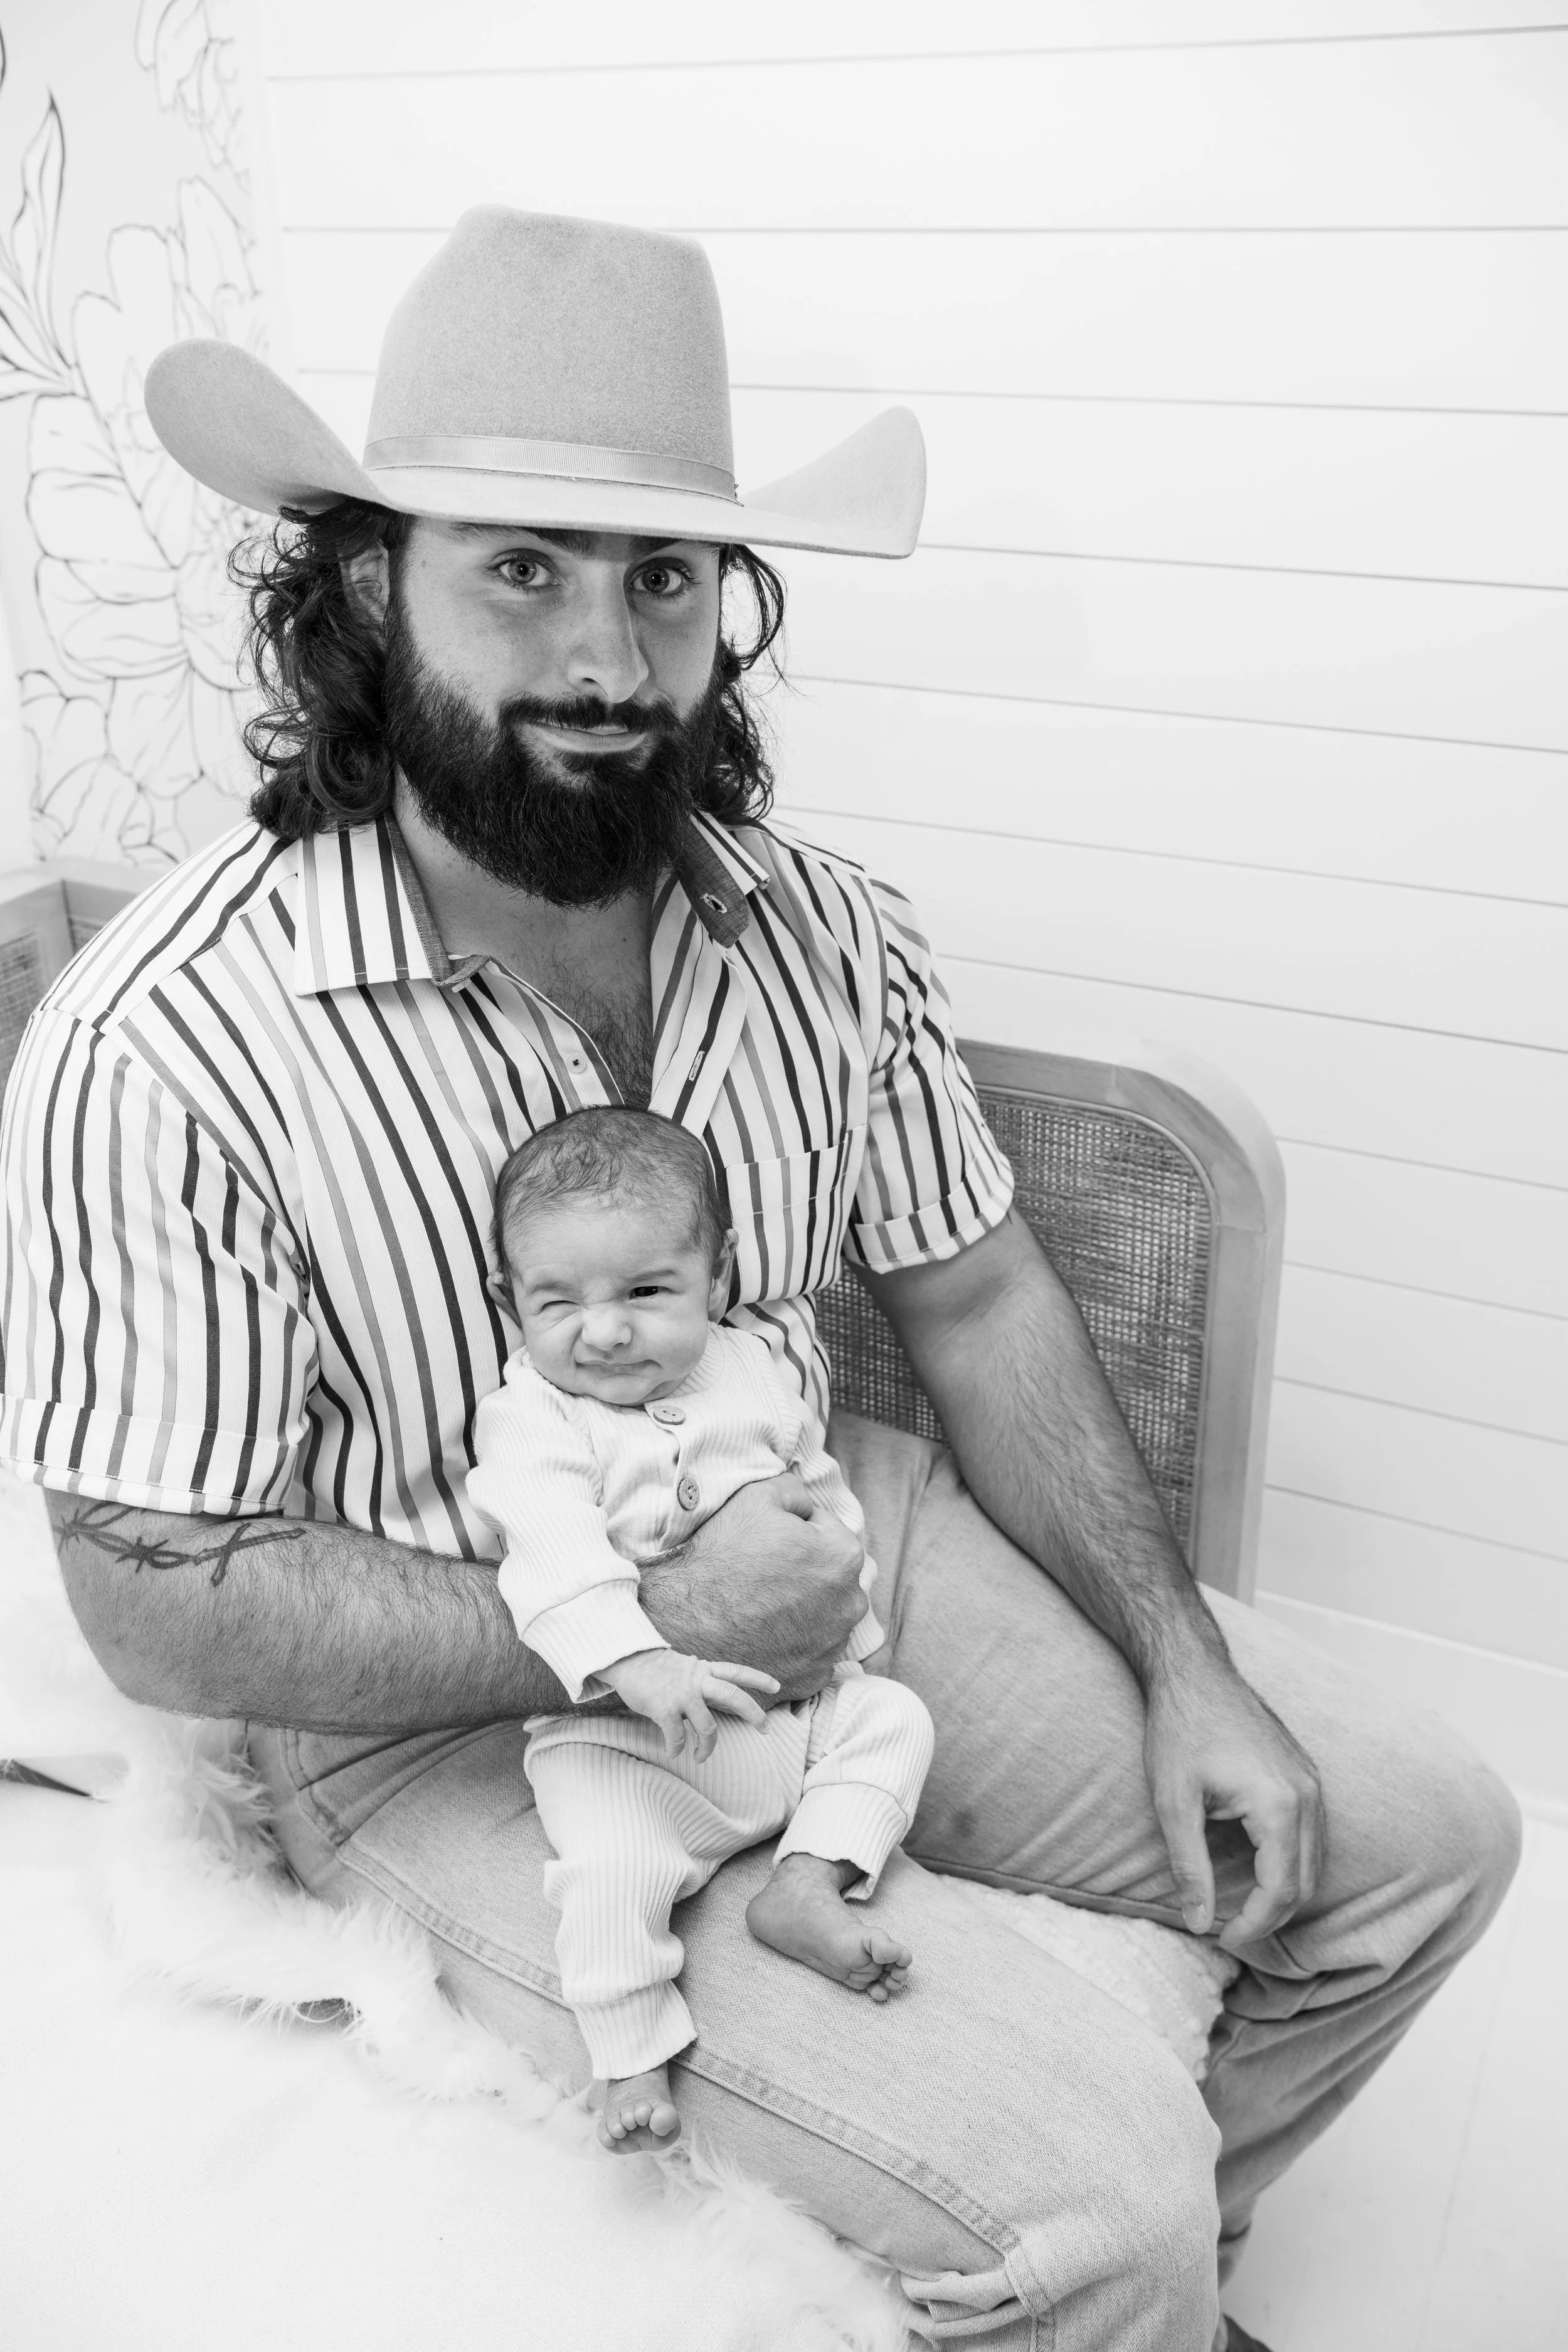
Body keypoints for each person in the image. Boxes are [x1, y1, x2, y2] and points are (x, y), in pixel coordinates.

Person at [1, 208, 1518, 2352]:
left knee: (1424, 1840)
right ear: (366, 588)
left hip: (826, 1529)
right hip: (440, 1710)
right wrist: (642, 1630)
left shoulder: (817, 926)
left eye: (666, 575)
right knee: (1101, 2202)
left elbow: (978, 1297)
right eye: (520, 565)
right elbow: (156, 1591)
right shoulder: (163, 1042)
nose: (611, 661)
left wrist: (1184, 1660)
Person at [472, 1106, 935, 2153]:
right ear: (512, 1301)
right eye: (560, 1302)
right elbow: (550, 1553)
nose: (605, 1330)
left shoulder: (746, 1370)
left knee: (896, 1719)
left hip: (787, 1711)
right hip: (634, 1745)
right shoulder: (532, 1418)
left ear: (714, 1278)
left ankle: (805, 1885)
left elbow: (813, 1490)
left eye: (645, 1292)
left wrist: (849, 1622)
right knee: (606, 1865)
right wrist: (638, 1663)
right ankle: (630, 2050)